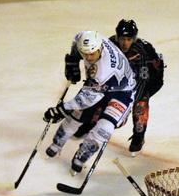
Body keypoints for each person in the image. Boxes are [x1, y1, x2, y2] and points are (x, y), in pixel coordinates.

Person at [44, 31, 136, 174]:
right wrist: (73, 60)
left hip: (123, 92)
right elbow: (76, 40)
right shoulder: (87, 37)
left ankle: (82, 156)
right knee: (76, 116)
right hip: (98, 86)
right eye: (85, 54)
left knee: (104, 128)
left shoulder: (103, 71)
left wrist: (62, 109)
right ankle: (57, 143)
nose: (88, 58)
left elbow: (87, 99)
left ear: (99, 49)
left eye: (91, 54)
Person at [70, 19, 165, 156]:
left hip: (147, 81)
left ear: (134, 38)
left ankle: (138, 136)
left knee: (140, 106)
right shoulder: (109, 45)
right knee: (99, 99)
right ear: (117, 37)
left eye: (129, 39)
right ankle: (89, 123)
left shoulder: (142, 51)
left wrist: (129, 103)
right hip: (118, 81)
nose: (125, 43)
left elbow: (143, 81)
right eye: (122, 39)